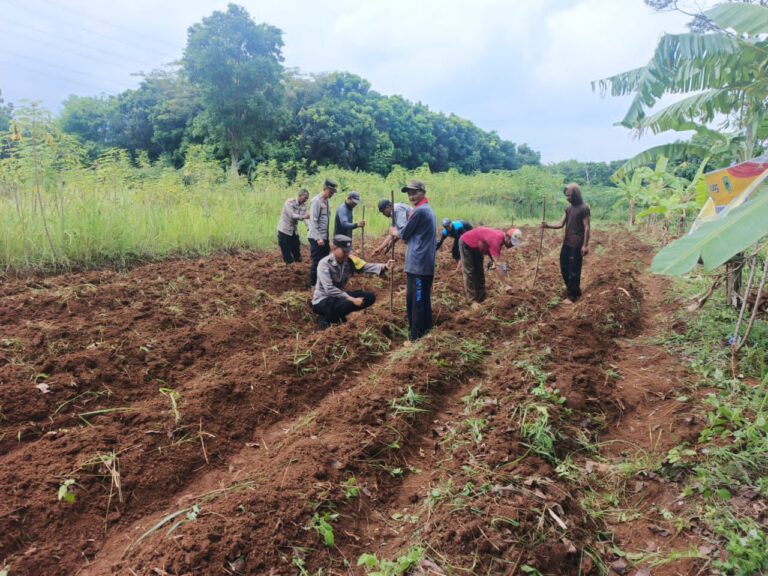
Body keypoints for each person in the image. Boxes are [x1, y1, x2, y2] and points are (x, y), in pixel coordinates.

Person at [311, 235, 393, 329]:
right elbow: (329, 288)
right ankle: (327, 318)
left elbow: (365, 267)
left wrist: (385, 266)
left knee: (369, 297)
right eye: (344, 251)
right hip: (323, 300)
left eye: (348, 251)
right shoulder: (324, 264)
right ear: (334, 248)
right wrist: (352, 299)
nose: (347, 254)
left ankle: (337, 315)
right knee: (348, 302)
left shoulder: (350, 260)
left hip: (338, 297)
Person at [390, 179, 437, 341]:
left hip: (418, 264)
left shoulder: (420, 211)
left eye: (414, 193)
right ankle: (426, 329)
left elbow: (404, 234)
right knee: (423, 299)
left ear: (423, 193)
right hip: (424, 262)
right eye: (409, 194)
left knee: (415, 300)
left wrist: (394, 231)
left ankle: (415, 336)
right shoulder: (427, 209)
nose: (411, 197)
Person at [541, 182, 591, 303]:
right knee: (564, 268)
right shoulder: (568, 208)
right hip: (567, 242)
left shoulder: (584, 208)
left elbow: (587, 227)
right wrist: (547, 225)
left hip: (577, 244)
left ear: (576, 194)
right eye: (566, 196)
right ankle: (574, 291)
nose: (567, 198)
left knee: (574, 270)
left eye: (569, 195)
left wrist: (585, 245)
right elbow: (560, 224)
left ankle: (572, 296)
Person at [458, 226, 522, 303]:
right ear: (507, 237)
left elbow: (495, 263)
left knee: (479, 272)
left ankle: (481, 298)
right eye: (511, 243)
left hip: (477, 247)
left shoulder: (500, 238)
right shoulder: (496, 240)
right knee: (469, 272)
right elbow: (497, 265)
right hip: (466, 243)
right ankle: (471, 300)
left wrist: (503, 277)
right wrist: (505, 285)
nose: (512, 245)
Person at [308, 178, 338, 288]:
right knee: (317, 261)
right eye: (330, 192)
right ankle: (312, 284)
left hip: (324, 237)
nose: (332, 194)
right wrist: (318, 238)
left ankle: (322, 282)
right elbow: (313, 221)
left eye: (333, 192)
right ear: (324, 189)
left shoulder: (327, 201)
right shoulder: (316, 201)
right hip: (316, 237)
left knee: (325, 260)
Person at [277, 189, 310, 264]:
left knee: (297, 251)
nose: (306, 200)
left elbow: (306, 218)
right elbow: (292, 215)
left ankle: (298, 266)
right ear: (300, 195)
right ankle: (289, 268)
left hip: (294, 231)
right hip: (284, 231)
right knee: (286, 253)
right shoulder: (289, 202)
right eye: (305, 198)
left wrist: (309, 227)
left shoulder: (303, 206)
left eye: (307, 198)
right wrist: (303, 217)